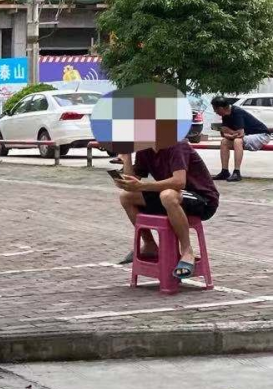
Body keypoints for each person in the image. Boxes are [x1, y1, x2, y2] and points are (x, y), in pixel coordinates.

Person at [116, 140, 219, 279]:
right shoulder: (144, 149)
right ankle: (149, 244)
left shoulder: (177, 144)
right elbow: (133, 183)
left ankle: (187, 251)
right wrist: (127, 157)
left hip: (202, 199)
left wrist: (141, 186)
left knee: (168, 195)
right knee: (127, 196)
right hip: (170, 196)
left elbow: (179, 182)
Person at [211, 96, 270, 182]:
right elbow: (224, 131)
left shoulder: (237, 112)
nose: (215, 112)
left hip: (261, 135)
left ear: (220, 108)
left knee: (237, 141)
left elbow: (240, 134)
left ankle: (237, 172)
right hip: (248, 136)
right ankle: (224, 171)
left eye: (215, 109)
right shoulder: (225, 114)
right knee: (224, 142)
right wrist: (229, 134)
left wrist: (230, 134)